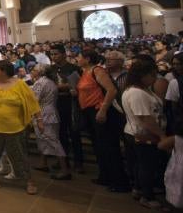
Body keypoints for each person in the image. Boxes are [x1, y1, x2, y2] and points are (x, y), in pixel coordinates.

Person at [0, 61, 41, 194]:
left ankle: (28, 179)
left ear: (4, 71)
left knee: (19, 155)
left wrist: (39, 120)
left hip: (14, 128)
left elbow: (32, 102)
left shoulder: (20, 84)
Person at [77, 50, 130, 192]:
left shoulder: (97, 70)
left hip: (100, 111)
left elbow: (111, 90)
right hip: (89, 112)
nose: (77, 59)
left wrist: (103, 110)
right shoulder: (85, 71)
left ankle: (120, 181)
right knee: (99, 146)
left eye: (79, 57)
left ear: (87, 59)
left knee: (109, 146)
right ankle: (105, 176)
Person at [122, 56, 167, 209]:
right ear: (142, 75)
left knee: (141, 164)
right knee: (146, 165)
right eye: (152, 75)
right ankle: (147, 196)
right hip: (142, 133)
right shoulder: (136, 93)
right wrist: (161, 135)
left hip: (138, 132)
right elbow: (146, 118)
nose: (155, 78)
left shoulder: (142, 90)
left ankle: (140, 189)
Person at [30, 64, 71, 180]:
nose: (32, 71)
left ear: (40, 72)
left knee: (53, 141)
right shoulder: (50, 81)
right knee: (42, 139)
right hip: (50, 112)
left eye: (34, 70)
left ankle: (64, 170)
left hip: (44, 115)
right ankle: (43, 163)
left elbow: (35, 100)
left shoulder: (40, 82)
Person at [50, 44, 84, 172]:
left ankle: (78, 162)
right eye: (52, 54)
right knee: (60, 134)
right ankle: (63, 161)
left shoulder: (73, 68)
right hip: (56, 103)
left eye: (56, 54)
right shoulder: (51, 69)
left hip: (71, 103)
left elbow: (77, 84)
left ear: (64, 54)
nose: (53, 56)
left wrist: (62, 87)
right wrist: (64, 86)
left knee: (74, 133)